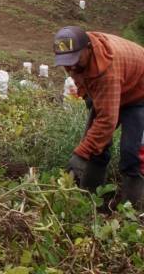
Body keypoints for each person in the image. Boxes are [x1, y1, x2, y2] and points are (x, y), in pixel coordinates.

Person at [56, 26, 144, 208]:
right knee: (98, 146)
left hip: (139, 94)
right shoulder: (75, 59)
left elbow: (107, 122)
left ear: (88, 49)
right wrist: (87, 95)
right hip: (117, 87)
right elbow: (78, 76)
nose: (70, 66)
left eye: (74, 60)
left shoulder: (107, 69)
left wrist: (80, 156)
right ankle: (92, 199)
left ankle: (133, 208)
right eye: (66, 62)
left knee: (131, 152)